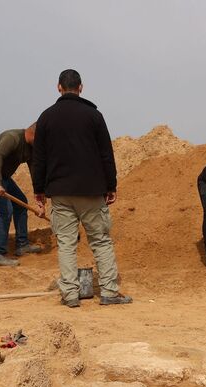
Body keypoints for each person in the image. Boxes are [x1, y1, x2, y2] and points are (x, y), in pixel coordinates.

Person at [31, 69, 131, 307]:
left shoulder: (46, 117)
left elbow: (39, 158)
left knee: (66, 244)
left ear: (58, 87)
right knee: (100, 241)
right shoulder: (94, 116)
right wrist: (111, 185)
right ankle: (109, 292)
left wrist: (39, 190)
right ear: (81, 87)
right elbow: (107, 154)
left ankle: (70, 295)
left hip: (60, 192)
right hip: (91, 191)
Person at [0, 125, 46, 266]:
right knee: (5, 210)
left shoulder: (32, 148)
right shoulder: (12, 138)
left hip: (4, 176)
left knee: (21, 203)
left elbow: (34, 169)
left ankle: (22, 245)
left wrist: (38, 194)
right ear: (33, 135)